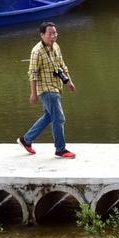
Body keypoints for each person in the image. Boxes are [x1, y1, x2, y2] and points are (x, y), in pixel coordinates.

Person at [18, 22, 76, 158]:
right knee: (59, 118)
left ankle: (26, 140)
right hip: (46, 89)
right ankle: (60, 149)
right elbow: (32, 73)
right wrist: (33, 93)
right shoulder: (37, 51)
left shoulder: (55, 46)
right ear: (42, 35)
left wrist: (69, 82)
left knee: (49, 116)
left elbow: (62, 65)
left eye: (55, 33)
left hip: (56, 87)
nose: (53, 36)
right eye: (50, 34)